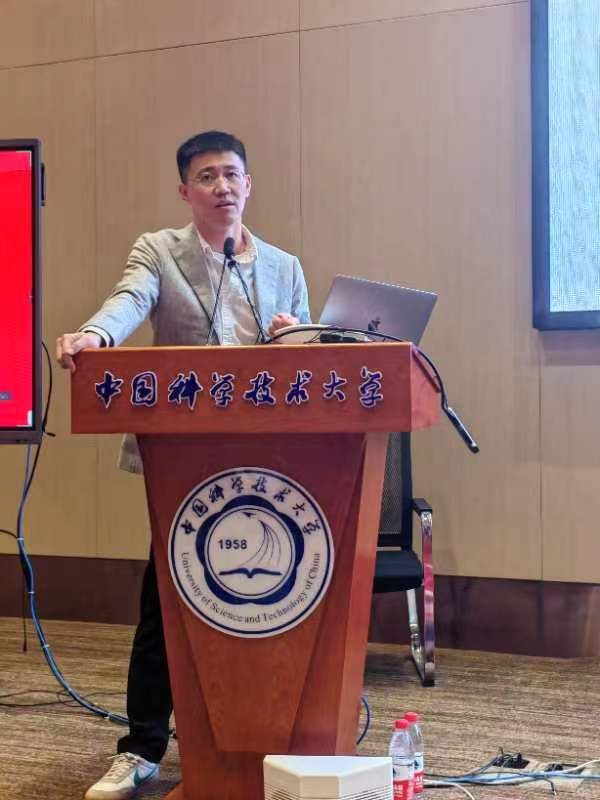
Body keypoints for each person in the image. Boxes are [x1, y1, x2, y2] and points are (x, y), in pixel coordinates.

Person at [56, 130, 311, 800]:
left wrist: (295, 339)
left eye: (231, 174)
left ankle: (275, 742)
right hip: (186, 460)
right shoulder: (159, 251)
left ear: (248, 185)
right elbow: (130, 299)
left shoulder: (284, 266)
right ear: (185, 190)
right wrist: (96, 334)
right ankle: (142, 748)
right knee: (166, 600)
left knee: (273, 601)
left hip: (272, 461)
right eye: (206, 176)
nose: (222, 187)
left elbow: (311, 362)